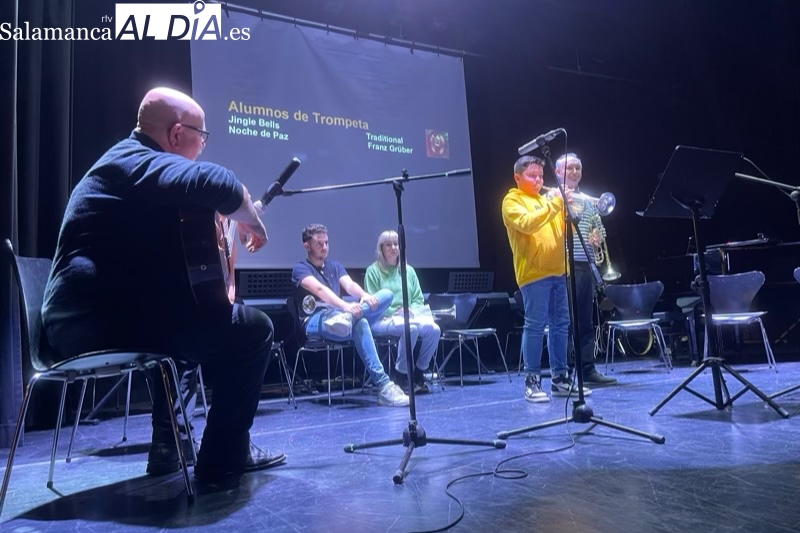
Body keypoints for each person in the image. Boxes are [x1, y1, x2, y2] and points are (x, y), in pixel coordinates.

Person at [42, 87, 286, 484]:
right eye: (200, 136)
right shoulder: (133, 160)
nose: (202, 146)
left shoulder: (131, 171)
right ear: (176, 135)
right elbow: (218, 182)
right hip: (89, 326)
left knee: (189, 323)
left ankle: (168, 445)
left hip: (91, 321)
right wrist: (249, 218)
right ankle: (225, 456)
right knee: (254, 330)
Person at [501, 154, 592, 402]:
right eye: (533, 176)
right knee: (535, 326)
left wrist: (567, 209)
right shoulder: (512, 200)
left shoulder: (545, 200)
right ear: (517, 177)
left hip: (560, 272)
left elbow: (565, 234)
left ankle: (559, 378)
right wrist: (553, 205)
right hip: (533, 274)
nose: (539, 180)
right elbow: (528, 224)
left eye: (541, 176)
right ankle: (532, 380)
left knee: (561, 326)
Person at [291, 224, 410, 407]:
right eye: (319, 244)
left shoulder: (335, 266)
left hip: (341, 317)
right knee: (360, 322)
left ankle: (348, 319)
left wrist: (365, 296)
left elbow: (349, 285)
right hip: (316, 320)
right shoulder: (300, 269)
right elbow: (321, 290)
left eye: (326, 243)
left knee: (384, 295)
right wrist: (346, 306)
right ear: (306, 245)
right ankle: (384, 386)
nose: (324, 247)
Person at [554, 153, 617, 385]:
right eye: (569, 168)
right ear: (558, 172)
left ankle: (587, 369)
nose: (574, 172)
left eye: (578, 168)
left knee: (585, 322)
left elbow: (601, 230)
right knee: (565, 322)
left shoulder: (590, 204)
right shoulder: (554, 199)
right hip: (563, 267)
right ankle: (565, 371)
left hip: (585, 267)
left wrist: (596, 237)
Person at [365, 230, 441, 394]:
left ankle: (419, 371)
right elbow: (372, 303)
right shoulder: (373, 271)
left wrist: (410, 310)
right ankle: (401, 374)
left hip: (409, 317)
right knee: (411, 328)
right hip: (382, 319)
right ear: (381, 248)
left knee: (434, 330)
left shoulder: (409, 271)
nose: (393, 248)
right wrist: (394, 312)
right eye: (388, 245)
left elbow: (417, 298)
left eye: (396, 244)